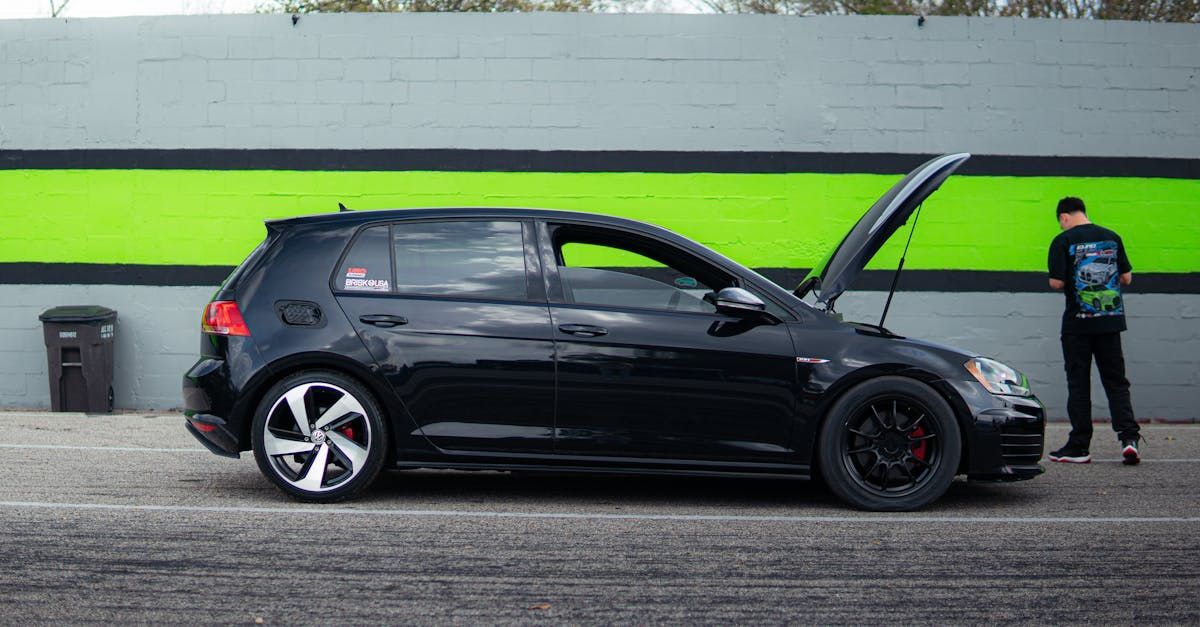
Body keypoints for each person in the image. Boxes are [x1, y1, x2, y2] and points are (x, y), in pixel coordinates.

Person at [1046, 197, 1141, 465]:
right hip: (1109, 323)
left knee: (1079, 385)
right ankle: (1129, 439)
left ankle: (1079, 446)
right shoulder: (1111, 237)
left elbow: (1056, 282)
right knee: (1116, 382)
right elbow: (1126, 278)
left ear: (1064, 217)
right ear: (1083, 212)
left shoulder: (1062, 241)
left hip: (1078, 325)